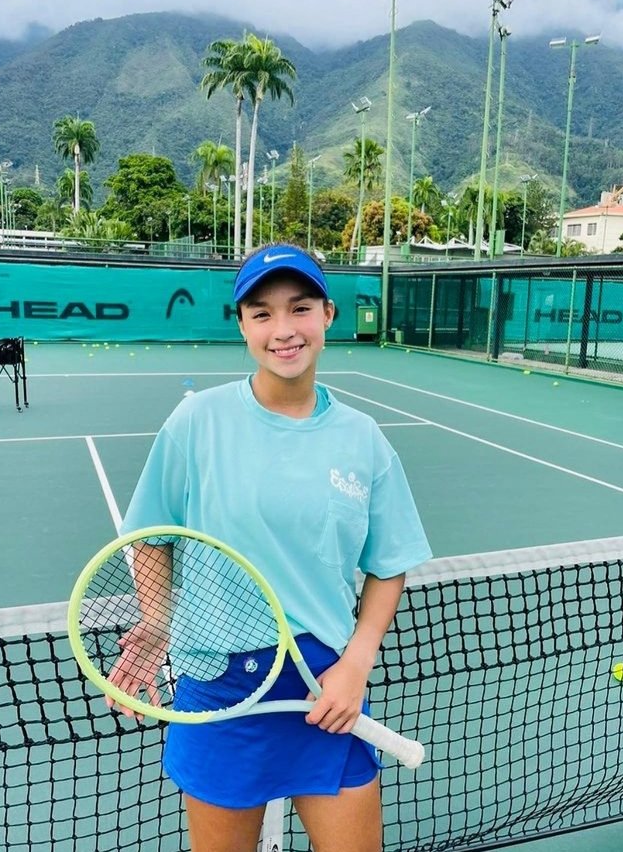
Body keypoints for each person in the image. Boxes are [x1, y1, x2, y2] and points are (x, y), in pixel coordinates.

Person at [115, 243, 431, 852]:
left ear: (328, 315)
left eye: (300, 308)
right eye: (261, 313)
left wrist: (357, 665)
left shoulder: (364, 441)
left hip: (326, 690)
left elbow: (389, 565)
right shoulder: (195, 423)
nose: (283, 330)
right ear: (242, 325)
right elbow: (152, 534)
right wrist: (156, 624)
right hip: (221, 690)